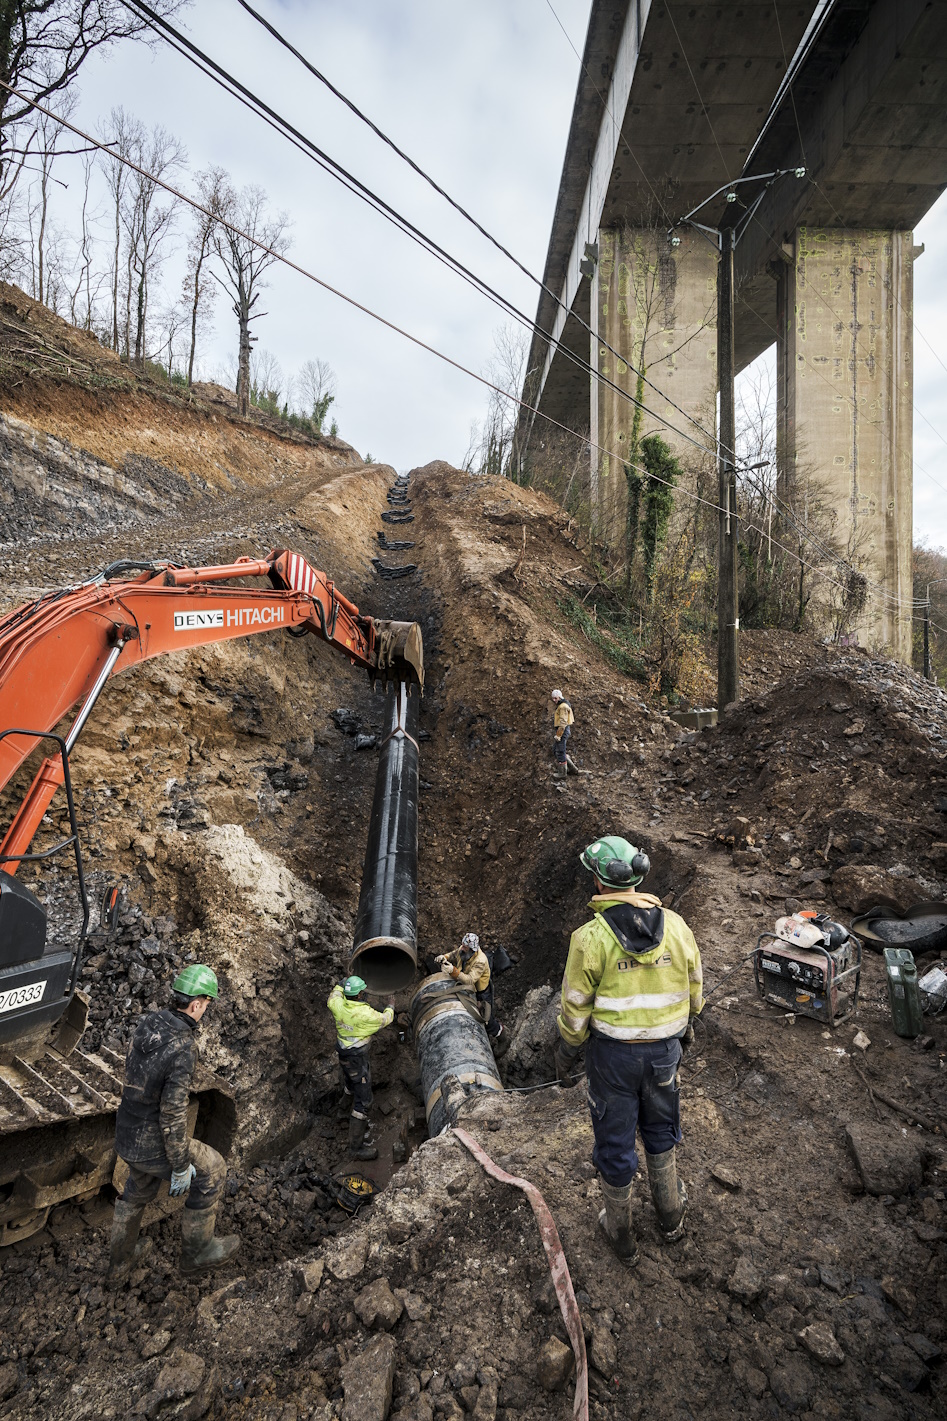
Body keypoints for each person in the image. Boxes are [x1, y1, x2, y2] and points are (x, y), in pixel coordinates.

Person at [554, 836, 702, 1265]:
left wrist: (567, 1050)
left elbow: (576, 1008)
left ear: (599, 882)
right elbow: (694, 989)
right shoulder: (676, 926)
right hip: (663, 1055)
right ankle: (671, 1216)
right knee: (660, 1127)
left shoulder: (589, 939)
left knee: (615, 1138)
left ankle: (621, 1234)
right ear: (639, 877)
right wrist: (685, 1029)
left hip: (613, 1059)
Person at [108, 964, 238, 1282]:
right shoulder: (184, 1047)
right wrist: (180, 1165)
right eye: (206, 1005)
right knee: (214, 1169)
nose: (204, 1011)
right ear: (196, 1004)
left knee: (138, 1188)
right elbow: (172, 1114)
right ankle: (197, 1254)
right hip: (152, 1140)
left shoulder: (149, 1022)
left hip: (127, 1132)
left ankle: (119, 1264)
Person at [328, 975, 394, 1161]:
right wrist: (391, 1004)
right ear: (359, 995)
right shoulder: (365, 1014)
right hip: (357, 1059)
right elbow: (385, 1019)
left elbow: (334, 995)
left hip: (344, 1056)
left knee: (350, 1084)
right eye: (362, 992)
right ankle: (355, 1148)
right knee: (363, 1102)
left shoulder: (337, 1005)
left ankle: (341, 1113)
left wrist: (341, 984)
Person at [436, 932, 504, 1049]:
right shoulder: (464, 950)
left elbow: (470, 980)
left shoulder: (480, 961)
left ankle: (501, 1036)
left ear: (472, 949)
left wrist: (453, 971)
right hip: (468, 989)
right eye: (462, 945)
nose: (461, 948)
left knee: (486, 1019)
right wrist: (445, 957)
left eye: (464, 947)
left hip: (481, 993)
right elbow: (454, 954)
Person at [550, 689, 576, 780]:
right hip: (563, 730)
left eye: (555, 698)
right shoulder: (562, 705)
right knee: (556, 750)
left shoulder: (563, 706)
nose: (554, 700)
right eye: (553, 698)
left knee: (560, 751)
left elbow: (563, 722)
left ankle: (562, 773)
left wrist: (559, 735)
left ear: (560, 697)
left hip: (563, 731)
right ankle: (572, 769)